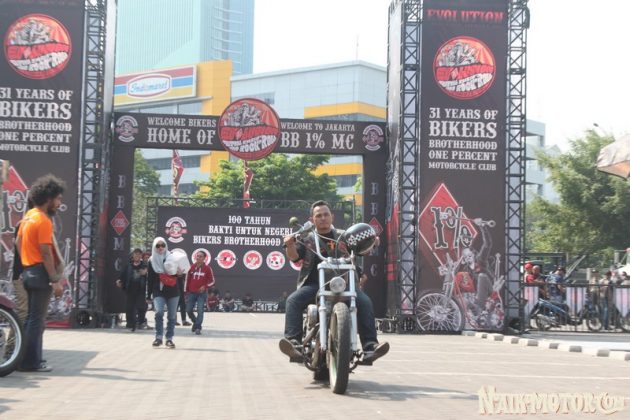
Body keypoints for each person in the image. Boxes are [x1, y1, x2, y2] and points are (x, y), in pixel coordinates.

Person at [279, 200, 389, 363]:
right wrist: (289, 245)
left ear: (332, 217)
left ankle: (370, 346)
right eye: (318, 215)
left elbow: (362, 250)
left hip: (346, 284)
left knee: (365, 302)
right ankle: (294, 343)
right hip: (315, 286)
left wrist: (372, 242)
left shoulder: (346, 236)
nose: (323, 218)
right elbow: (294, 257)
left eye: (326, 214)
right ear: (312, 219)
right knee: (293, 300)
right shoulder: (306, 238)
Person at [16, 175, 65, 372]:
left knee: (31, 319)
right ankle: (30, 363)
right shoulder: (43, 220)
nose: (59, 203)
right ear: (48, 198)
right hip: (40, 273)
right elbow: (46, 252)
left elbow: (18, 242)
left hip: (29, 271)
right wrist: (55, 280)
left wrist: (26, 261)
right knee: (37, 321)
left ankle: (26, 359)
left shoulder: (28, 216)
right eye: (58, 198)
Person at [146, 237, 181, 348]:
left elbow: (178, 275)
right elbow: (150, 279)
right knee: (159, 312)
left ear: (166, 246)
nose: (160, 248)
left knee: (172, 316)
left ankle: (169, 339)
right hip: (158, 290)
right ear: (154, 247)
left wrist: (179, 273)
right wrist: (148, 295)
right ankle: (158, 337)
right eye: (158, 246)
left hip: (173, 290)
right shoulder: (151, 260)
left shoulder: (172, 257)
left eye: (162, 245)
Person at [116, 248, 148, 332]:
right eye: (136, 254)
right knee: (129, 307)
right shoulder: (128, 265)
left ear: (141, 256)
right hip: (130, 289)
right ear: (133, 255)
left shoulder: (144, 265)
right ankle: (130, 323)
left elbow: (149, 274)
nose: (137, 256)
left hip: (141, 290)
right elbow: (122, 275)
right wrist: (119, 281)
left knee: (141, 307)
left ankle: (141, 322)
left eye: (139, 254)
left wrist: (146, 272)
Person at [185, 251, 215, 335]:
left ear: (204, 258)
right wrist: (186, 292)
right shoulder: (191, 267)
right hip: (191, 293)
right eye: (197, 256)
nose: (198, 257)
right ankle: (195, 322)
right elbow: (187, 280)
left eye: (200, 256)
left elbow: (212, 281)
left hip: (201, 294)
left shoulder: (207, 268)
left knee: (200, 310)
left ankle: (198, 327)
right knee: (188, 310)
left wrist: (205, 286)